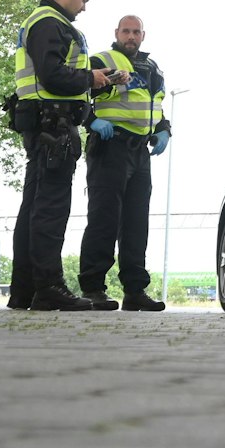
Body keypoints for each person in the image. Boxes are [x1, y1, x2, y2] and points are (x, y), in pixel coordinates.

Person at [6, 0, 122, 312]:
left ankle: (24, 291)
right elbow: (52, 74)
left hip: (45, 123)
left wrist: (99, 81)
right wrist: (90, 77)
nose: (84, 7)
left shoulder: (46, 21)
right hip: (51, 125)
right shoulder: (50, 22)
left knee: (34, 208)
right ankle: (49, 289)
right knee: (50, 209)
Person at [78, 15, 171, 311]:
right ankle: (93, 288)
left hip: (140, 151)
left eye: (136, 32)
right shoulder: (100, 59)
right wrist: (92, 121)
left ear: (143, 35)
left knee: (136, 223)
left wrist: (164, 128)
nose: (131, 36)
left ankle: (135, 291)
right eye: (126, 31)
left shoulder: (152, 68)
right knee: (104, 219)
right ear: (116, 33)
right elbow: (76, 93)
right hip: (110, 145)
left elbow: (155, 104)